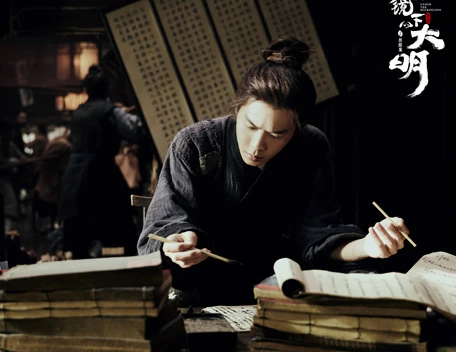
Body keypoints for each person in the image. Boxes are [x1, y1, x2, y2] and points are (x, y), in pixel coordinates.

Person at [137, 37, 411, 306]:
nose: (257, 146)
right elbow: (165, 222)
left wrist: (368, 246)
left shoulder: (310, 146)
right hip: (205, 286)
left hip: (282, 283)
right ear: (237, 108)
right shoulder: (196, 143)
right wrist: (177, 242)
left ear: (297, 130)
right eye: (251, 126)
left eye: (277, 134)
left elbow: (319, 236)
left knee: (366, 282)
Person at [60, 64, 145, 259]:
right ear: (107, 89)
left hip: (74, 177)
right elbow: (135, 131)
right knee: (122, 230)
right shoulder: (110, 111)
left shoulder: (78, 112)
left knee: (79, 239)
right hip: (101, 173)